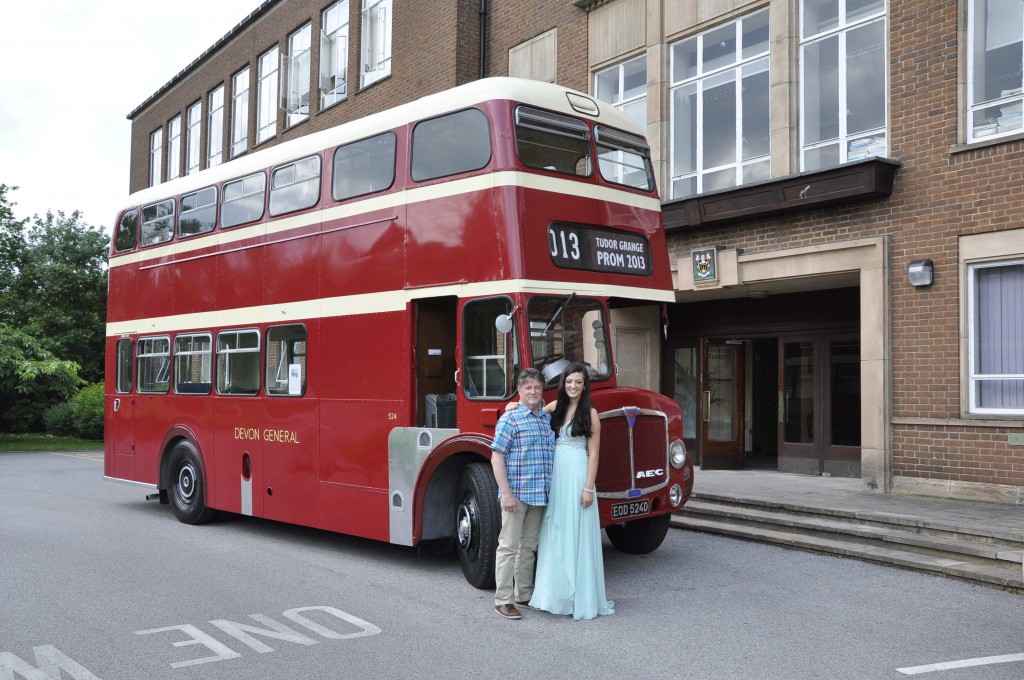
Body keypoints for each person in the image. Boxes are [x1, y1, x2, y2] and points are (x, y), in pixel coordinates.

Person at [528, 362, 614, 620]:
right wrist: (513, 406)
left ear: (584, 385)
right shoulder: (555, 408)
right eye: (569, 381)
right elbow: (530, 412)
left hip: (578, 474)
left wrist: (588, 488)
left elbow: (595, 452)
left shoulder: (592, 414)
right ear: (563, 384)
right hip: (557, 475)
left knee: (577, 531)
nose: (573, 386)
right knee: (556, 529)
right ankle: (553, 595)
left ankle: (580, 597)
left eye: (578, 382)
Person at [490, 368, 556, 620]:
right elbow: (497, 456)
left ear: (542, 392)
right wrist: (505, 493)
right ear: (519, 391)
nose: (533, 391)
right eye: (528, 387)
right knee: (508, 547)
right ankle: (503, 600)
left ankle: (523, 594)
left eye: (537, 387)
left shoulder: (544, 419)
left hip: (539, 494)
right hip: (516, 494)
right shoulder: (510, 419)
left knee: (528, 547)